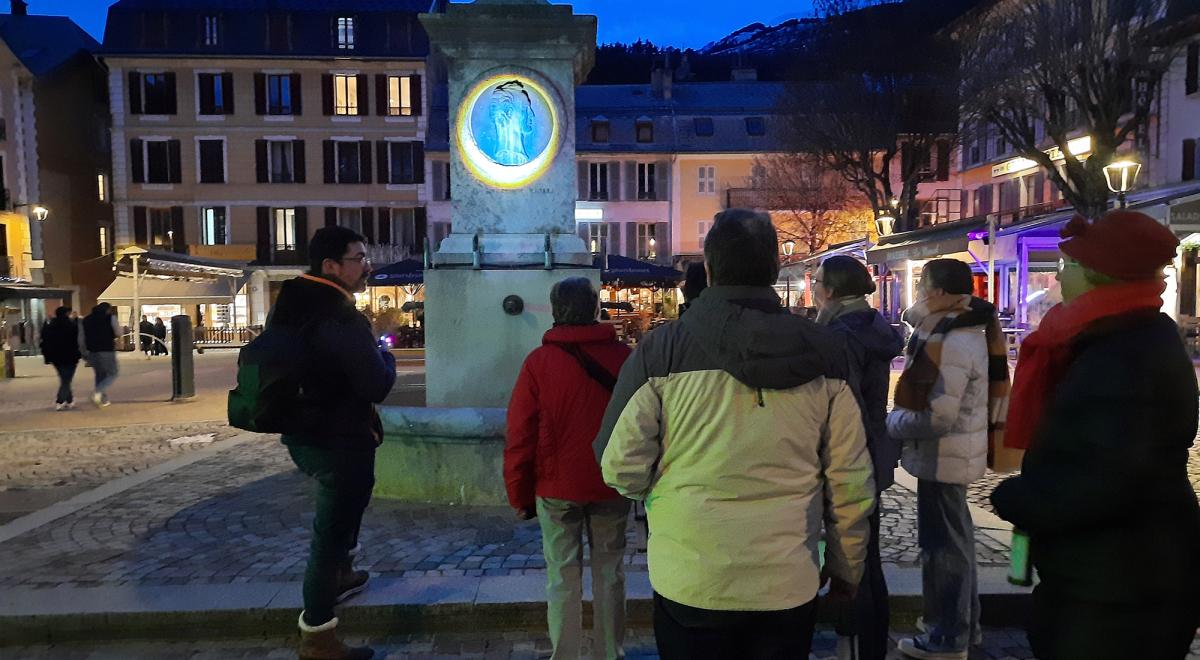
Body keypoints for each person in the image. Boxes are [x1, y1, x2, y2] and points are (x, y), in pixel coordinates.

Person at [595, 208, 875, 660]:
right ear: (775, 268)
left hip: (692, 576)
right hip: (787, 579)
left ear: (709, 268)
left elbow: (619, 465)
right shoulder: (827, 352)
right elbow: (850, 479)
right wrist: (847, 567)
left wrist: (666, 499)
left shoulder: (661, 351)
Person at [990, 211, 1200, 660]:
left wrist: (1021, 498)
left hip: (1119, 586)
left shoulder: (1125, 355)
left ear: (1096, 275)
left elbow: (1109, 477)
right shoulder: (1115, 338)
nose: (1058, 276)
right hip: (1108, 573)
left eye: (1066, 265)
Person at [271, 226, 397, 660]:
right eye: (358, 259)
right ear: (330, 265)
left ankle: (342, 574)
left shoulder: (291, 304)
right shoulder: (339, 316)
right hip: (339, 440)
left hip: (302, 432)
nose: (367, 267)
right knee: (330, 535)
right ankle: (318, 635)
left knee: (341, 521)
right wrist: (386, 354)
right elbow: (376, 384)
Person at [505, 277, 633, 660]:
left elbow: (520, 434)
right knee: (610, 572)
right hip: (610, 482)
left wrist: (519, 494)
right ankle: (610, 653)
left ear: (555, 310)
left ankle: (566, 654)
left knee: (562, 576)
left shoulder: (538, 363)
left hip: (556, 486)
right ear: (596, 308)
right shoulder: (624, 358)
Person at [887, 259, 1009, 660]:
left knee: (944, 550)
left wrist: (892, 422)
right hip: (950, 455)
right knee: (954, 543)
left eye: (922, 285)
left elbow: (938, 416)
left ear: (938, 292)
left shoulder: (951, 338)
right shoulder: (959, 330)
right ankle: (962, 629)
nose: (919, 293)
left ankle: (948, 637)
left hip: (944, 456)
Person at [813, 255, 904, 660]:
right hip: (871, 448)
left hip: (852, 454)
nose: (814, 289)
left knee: (854, 560)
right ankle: (869, 643)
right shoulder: (869, 326)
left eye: (817, 282)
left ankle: (859, 644)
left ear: (830, 290)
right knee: (867, 557)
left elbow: (842, 405)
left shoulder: (843, 335)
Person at [79, 302, 121, 407]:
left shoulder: (86, 319)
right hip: (107, 350)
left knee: (99, 375)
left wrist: (83, 352)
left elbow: (81, 338)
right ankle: (97, 392)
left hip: (92, 351)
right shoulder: (110, 318)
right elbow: (118, 333)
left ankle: (102, 399)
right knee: (113, 373)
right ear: (107, 310)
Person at [40, 306, 82, 411]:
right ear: (67, 313)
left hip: (56, 357)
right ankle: (60, 401)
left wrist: (46, 322)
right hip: (70, 355)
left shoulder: (51, 325)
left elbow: (44, 337)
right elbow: (78, 335)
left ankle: (69, 400)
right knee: (66, 380)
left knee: (64, 378)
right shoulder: (71, 324)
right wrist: (76, 319)